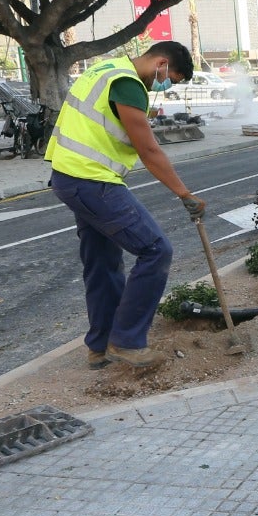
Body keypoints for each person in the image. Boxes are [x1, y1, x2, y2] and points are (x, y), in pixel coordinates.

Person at [45, 41, 206, 370]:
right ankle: (128, 342)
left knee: (102, 262)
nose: (165, 86)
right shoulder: (128, 84)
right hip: (92, 180)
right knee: (156, 250)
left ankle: (101, 346)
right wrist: (184, 193)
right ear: (160, 63)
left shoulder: (105, 69)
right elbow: (148, 150)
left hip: (70, 176)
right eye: (170, 79)